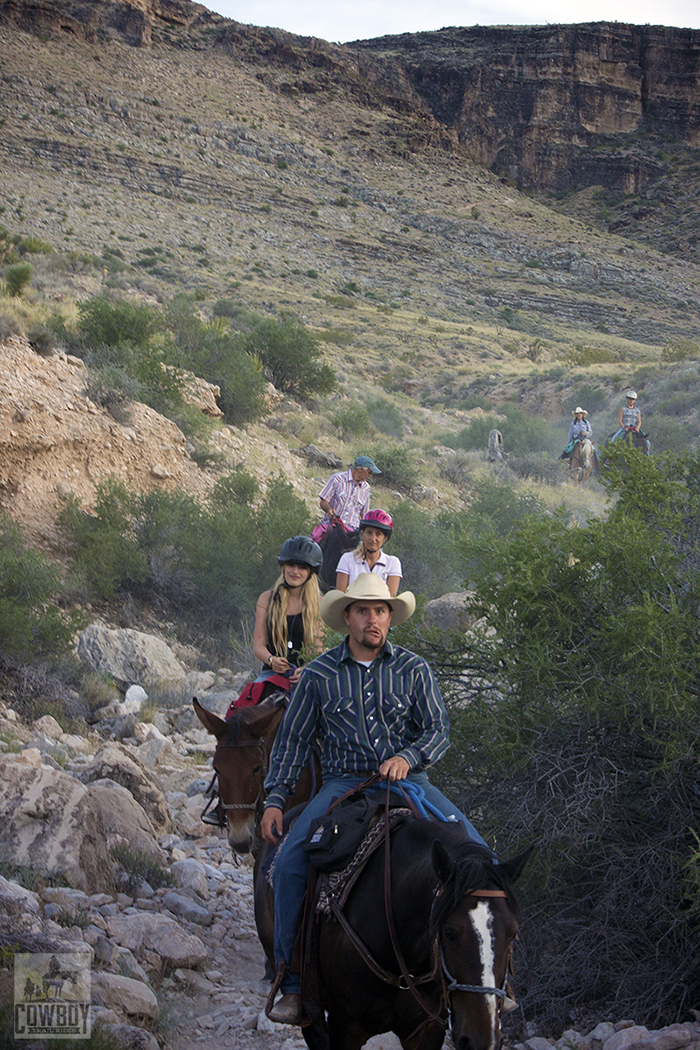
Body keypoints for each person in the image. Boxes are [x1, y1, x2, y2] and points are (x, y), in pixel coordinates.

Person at [261, 573, 492, 1025]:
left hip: (410, 783)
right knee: (288, 862)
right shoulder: (320, 676)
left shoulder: (414, 669)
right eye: (363, 610)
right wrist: (275, 797)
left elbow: (438, 730)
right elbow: (292, 740)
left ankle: (487, 989)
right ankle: (292, 984)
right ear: (346, 617)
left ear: (391, 616)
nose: (373, 618)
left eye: (381, 610)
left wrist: (408, 757)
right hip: (343, 784)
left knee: (482, 858)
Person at [252, 536, 324, 690]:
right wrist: (271, 660)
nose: (295, 571)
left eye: (302, 567)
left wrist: (306, 669)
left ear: (311, 571)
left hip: (306, 673)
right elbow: (258, 645)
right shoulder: (267, 599)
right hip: (271, 673)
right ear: (283, 567)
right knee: (245, 706)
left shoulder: (320, 603)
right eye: (291, 565)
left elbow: (320, 649)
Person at [312, 455, 381, 542]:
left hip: (353, 532)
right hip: (333, 527)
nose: (370, 476)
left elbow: (365, 514)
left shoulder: (366, 489)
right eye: (369, 472)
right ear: (360, 469)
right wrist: (329, 509)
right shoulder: (337, 479)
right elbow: (323, 501)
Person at [335, 509, 402, 597]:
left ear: (385, 538)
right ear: (362, 534)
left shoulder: (392, 563)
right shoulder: (347, 559)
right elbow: (340, 597)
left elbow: (390, 599)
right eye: (369, 533)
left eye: (378, 534)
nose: (373, 539)